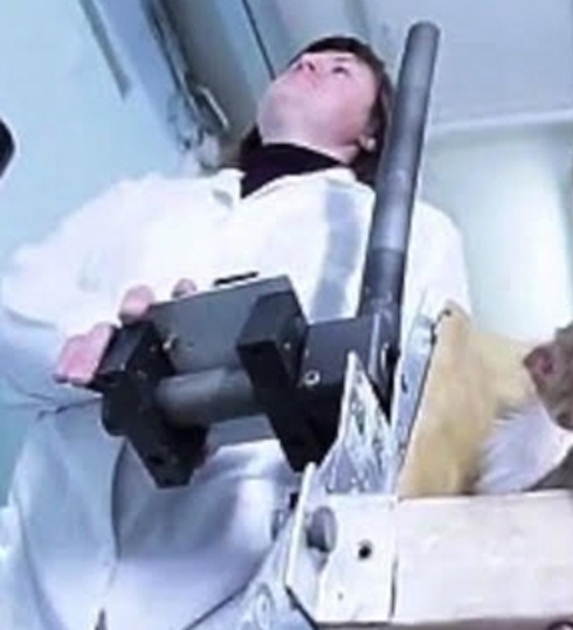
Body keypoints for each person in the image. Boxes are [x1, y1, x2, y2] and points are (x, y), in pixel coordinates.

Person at [0, 35, 471, 630]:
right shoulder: (142, 202)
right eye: (302, 59)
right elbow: (14, 308)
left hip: (242, 590)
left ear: (373, 133)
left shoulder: (414, 234)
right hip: (38, 576)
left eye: (340, 70)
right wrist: (92, 338)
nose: (309, 63)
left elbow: (433, 420)